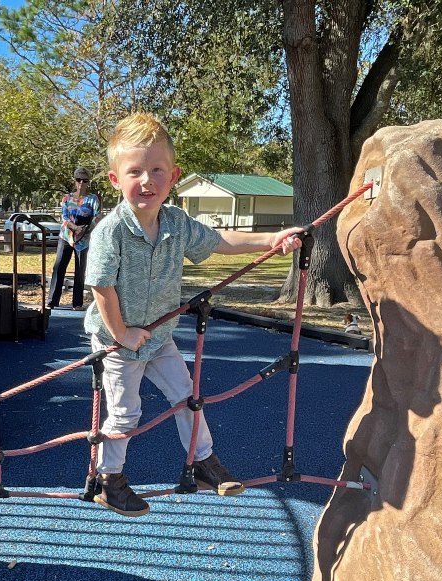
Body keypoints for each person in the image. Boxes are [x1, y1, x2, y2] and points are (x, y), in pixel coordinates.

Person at [84, 113, 304, 517]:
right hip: (117, 340)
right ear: (116, 180)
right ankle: (109, 479)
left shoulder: (176, 223)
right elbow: (102, 287)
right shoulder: (109, 231)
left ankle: (203, 461)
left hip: (159, 335)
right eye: (135, 171)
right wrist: (122, 332)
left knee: (187, 396)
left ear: (174, 176)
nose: (147, 180)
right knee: (124, 410)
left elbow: (219, 240)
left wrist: (270, 239)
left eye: (156, 170)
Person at [47, 167, 101, 310]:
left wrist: (84, 229)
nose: (81, 183)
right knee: (59, 267)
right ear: (75, 181)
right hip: (66, 236)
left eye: (84, 181)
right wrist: (75, 228)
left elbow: (97, 217)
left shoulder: (93, 199)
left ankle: (77, 303)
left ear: (88, 182)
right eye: (78, 180)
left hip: (83, 239)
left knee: (80, 270)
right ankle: (52, 301)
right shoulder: (67, 198)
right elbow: (64, 217)